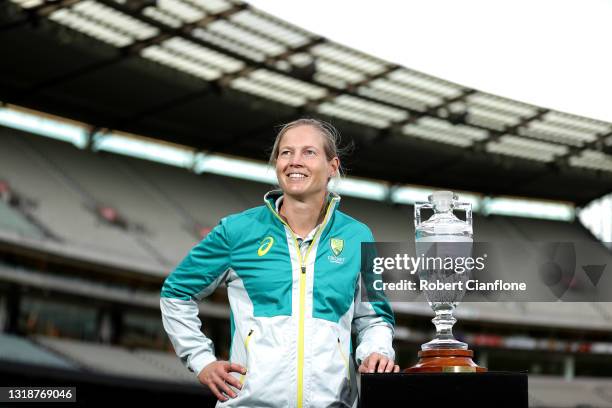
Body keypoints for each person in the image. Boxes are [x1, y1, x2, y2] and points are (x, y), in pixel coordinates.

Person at [160, 118, 398, 408]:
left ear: (332, 167)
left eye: (308, 152)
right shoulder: (237, 231)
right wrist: (201, 360)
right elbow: (176, 293)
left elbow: (374, 318)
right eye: (286, 153)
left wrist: (377, 351)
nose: (294, 161)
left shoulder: (358, 236)